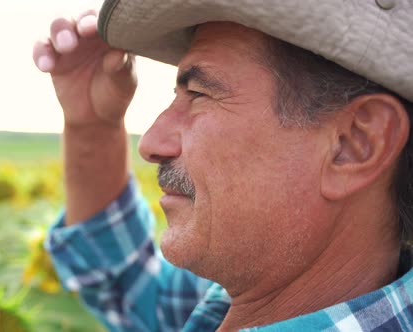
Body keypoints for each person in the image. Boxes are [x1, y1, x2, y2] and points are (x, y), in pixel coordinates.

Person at [32, 1, 413, 331]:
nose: (151, 143)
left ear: (355, 145)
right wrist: (92, 126)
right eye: (176, 93)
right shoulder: (237, 302)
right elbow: (129, 287)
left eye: (199, 93)